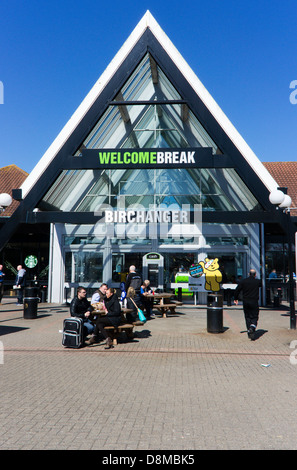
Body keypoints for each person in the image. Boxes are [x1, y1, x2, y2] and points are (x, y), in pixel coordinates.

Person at [234, 269, 262, 340]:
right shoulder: (257, 282)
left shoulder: (243, 281)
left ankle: (249, 330)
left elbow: (237, 290)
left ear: (249, 274)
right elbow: (261, 285)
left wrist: (235, 298)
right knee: (255, 316)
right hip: (254, 301)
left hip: (246, 301)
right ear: (255, 275)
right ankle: (252, 327)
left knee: (247, 316)